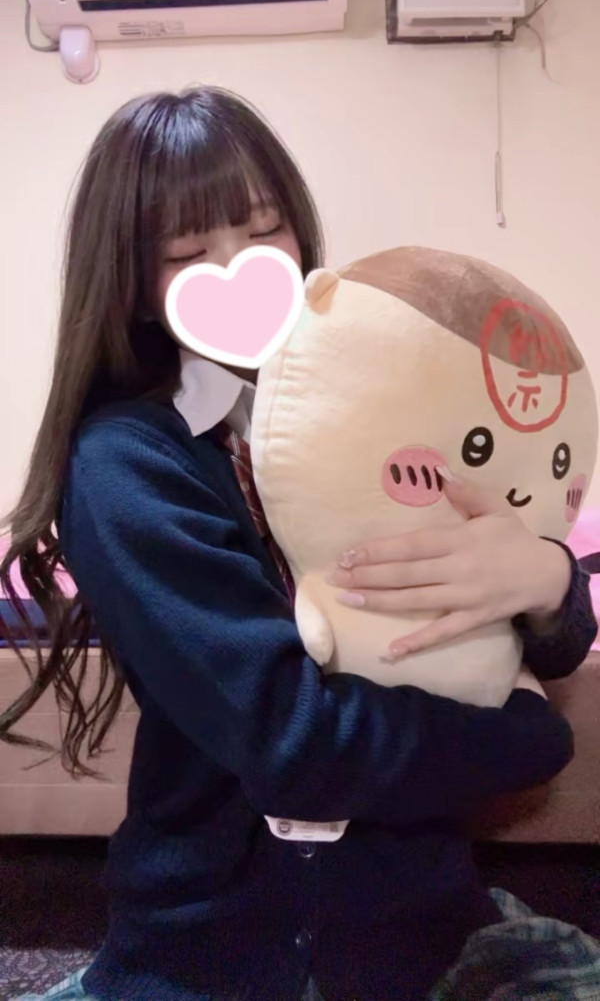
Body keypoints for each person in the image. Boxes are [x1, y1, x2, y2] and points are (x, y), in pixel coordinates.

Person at [1, 87, 599, 1001]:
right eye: (186, 253)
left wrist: (547, 577)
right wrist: (525, 737)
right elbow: (295, 742)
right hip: (225, 949)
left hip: (428, 918)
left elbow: (549, 637)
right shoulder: (128, 463)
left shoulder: (385, 407)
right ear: (131, 281)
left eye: (263, 229)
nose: (238, 268)